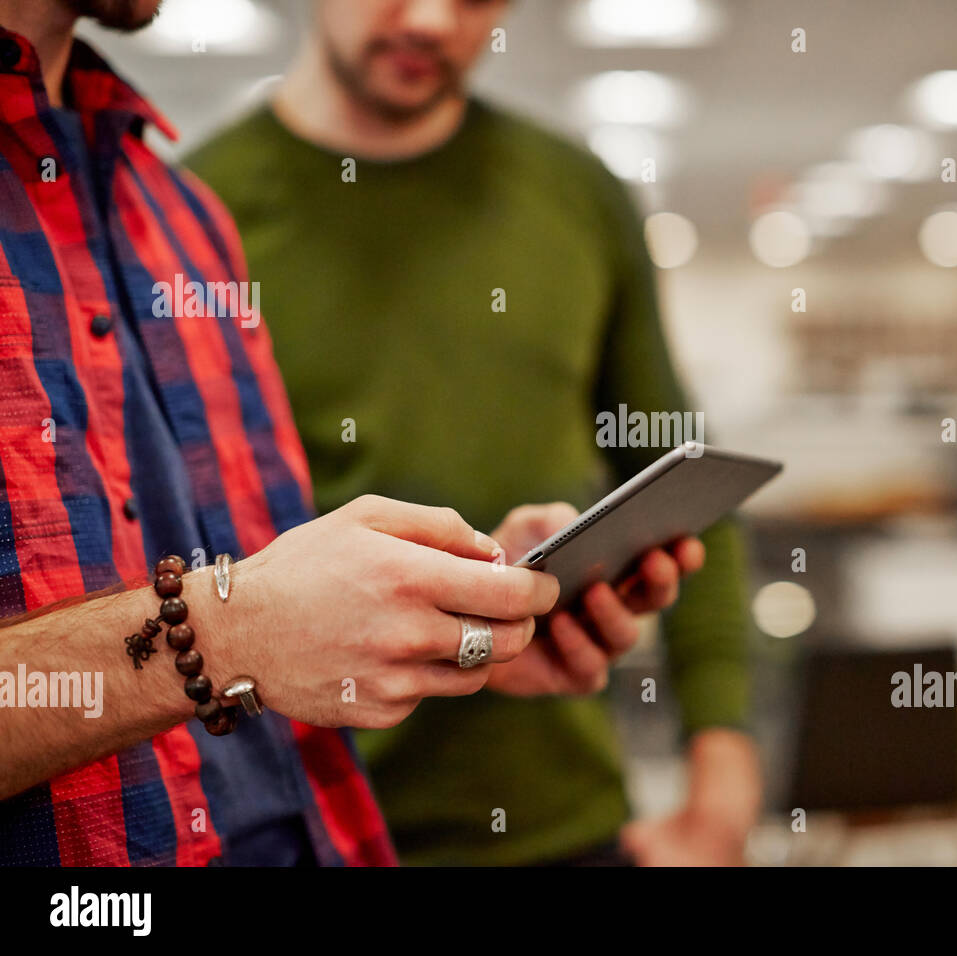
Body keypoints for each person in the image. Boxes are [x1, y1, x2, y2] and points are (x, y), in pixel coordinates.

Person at [0, 0, 700, 867]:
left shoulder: (178, 221)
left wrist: (454, 609)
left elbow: (252, 608)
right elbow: (234, 620)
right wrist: (232, 630)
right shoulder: (221, 197)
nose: (434, 18)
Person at [189, 0, 762, 867]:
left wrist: (722, 781)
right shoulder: (194, 218)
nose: (430, 20)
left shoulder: (576, 195)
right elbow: (162, 568)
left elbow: (689, 481)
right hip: (302, 834)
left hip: (563, 826)